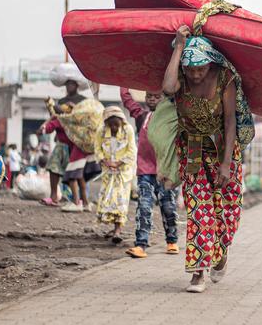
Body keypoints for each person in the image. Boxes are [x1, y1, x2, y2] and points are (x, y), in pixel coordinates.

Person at [163, 25, 254, 293]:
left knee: (227, 215)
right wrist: (179, 46)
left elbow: (229, 123)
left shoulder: (224, 78)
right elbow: (167, 88)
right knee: (199, 210)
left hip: (223, 149)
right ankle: (198, 273)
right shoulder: (180, 78)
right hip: (191, 151)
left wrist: (226, 165)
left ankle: (221, 252)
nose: (195, 74)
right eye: (190, 70)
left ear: (210, 63)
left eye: (200, 69)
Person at [120, 87, 179, 259]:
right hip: (145, 170)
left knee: (168, 207)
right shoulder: (141, 116)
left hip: (166, 170)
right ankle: (140, 245)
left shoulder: (172, 117)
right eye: (149, 96)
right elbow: (127, 99)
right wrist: (123, 82)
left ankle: (172, 241)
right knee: (144, 206)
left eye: (156, 96)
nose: (152, 99)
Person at [38, 80, 86, 206]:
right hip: (61, 144)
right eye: (67, 84)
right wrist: (44, 128)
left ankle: (81, 199)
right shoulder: (62, 103)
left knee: (77, 173)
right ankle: (54, 197)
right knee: (53, 168)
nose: (69, 86)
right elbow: (53, 120)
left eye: (72, 84)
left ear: (77, 85)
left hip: (77, 145)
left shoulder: (83, 100)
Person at [94, 106, 137, 243]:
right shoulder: (101, 131)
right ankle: (114, 228)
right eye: (110, 124)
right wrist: (105, 161)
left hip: (122, 174)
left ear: (121, 122)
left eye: (116, 124)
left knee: (120, 201)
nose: (113, 127)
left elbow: (131, 151)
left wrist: (118, 163)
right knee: (108, 201)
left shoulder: (128, 130)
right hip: (108, 173)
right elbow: (97, 148)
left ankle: (118, 231)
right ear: (106, 123)